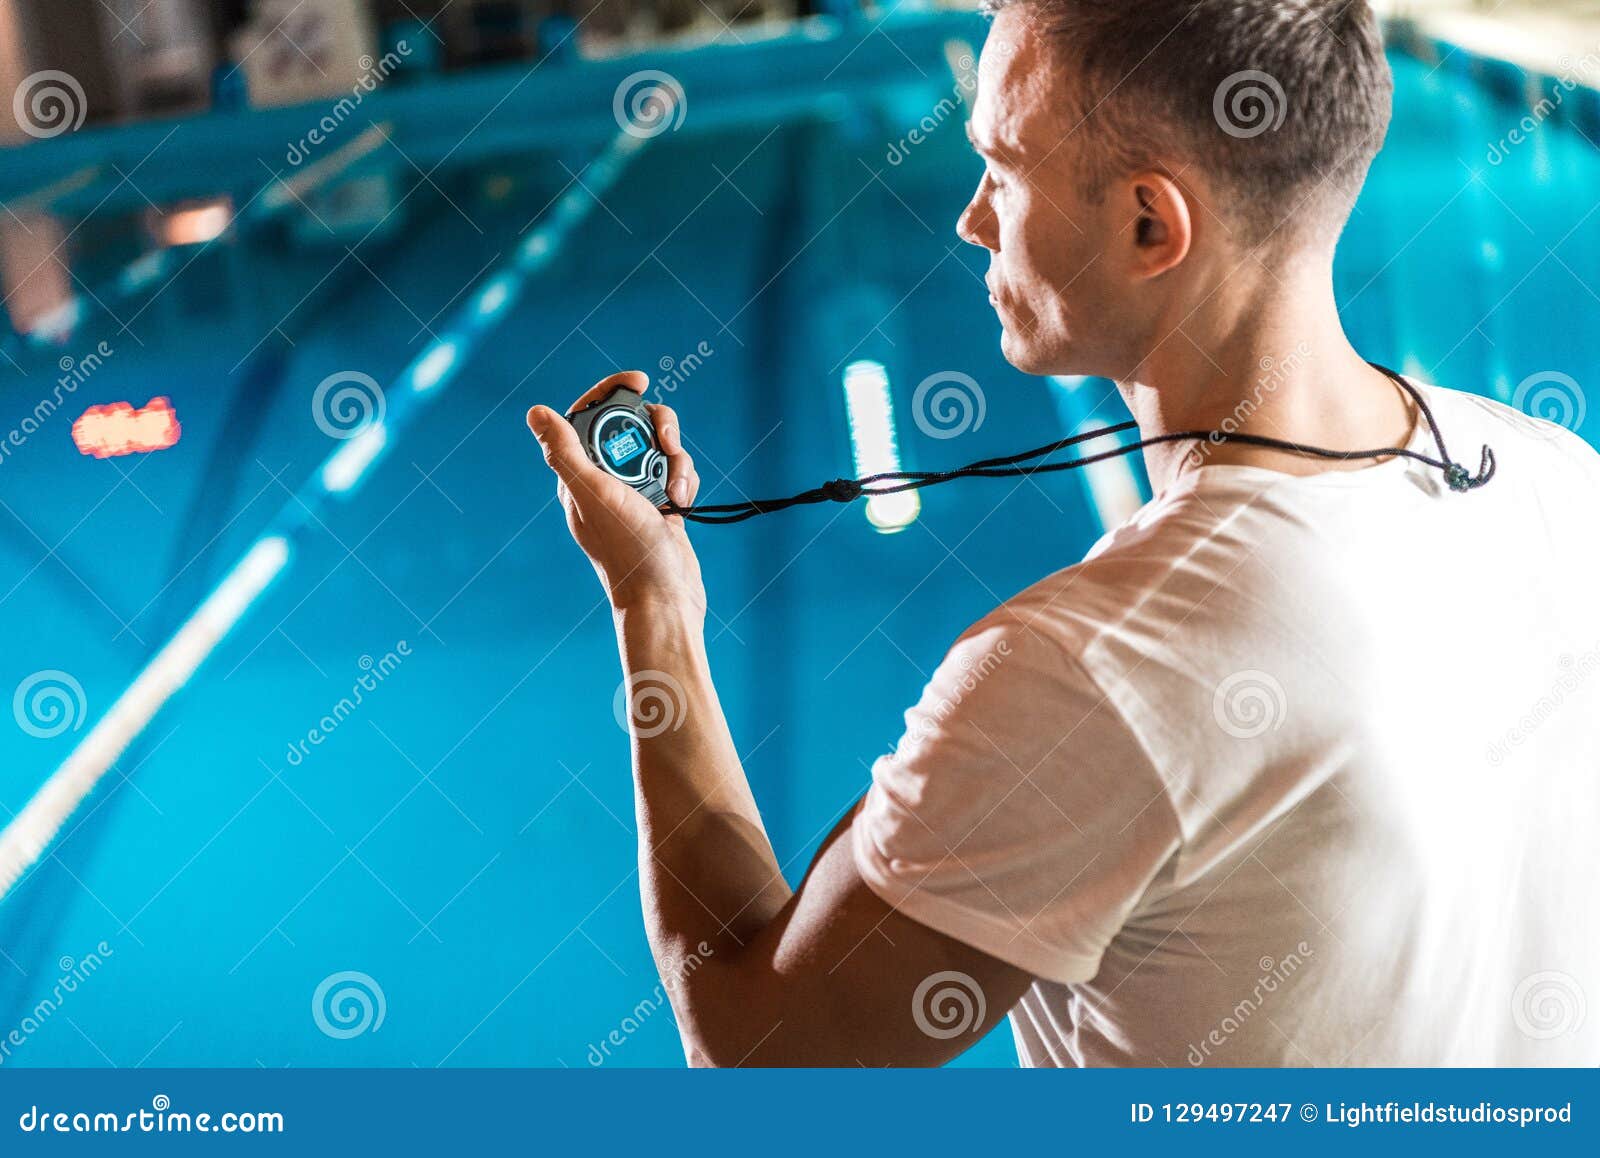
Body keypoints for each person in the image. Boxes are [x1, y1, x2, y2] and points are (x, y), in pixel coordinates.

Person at [525, 0, 1600, 1066]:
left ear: (1149, 226)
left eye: (1001, 166)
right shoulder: (1558, 477)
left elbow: (759, 1057)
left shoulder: (1090, 670)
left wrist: (651, 603)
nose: (972, 219)